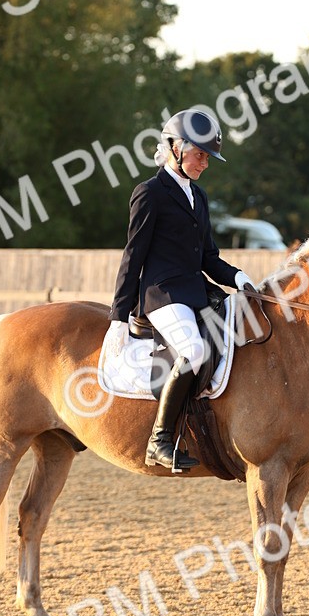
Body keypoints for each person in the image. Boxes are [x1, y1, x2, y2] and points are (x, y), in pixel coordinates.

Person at [108, 108, 256, 471]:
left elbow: (208, 257)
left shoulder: (199, 197)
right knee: (193, 349)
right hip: (160, 294)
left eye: (208, 157)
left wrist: (238, 278)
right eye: (200, 154)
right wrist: (118, 317)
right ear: (175, 148)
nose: (205, 163)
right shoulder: (150, 193)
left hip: (196, 290)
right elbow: (133, 256)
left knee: (245, 328)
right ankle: (159, 440)